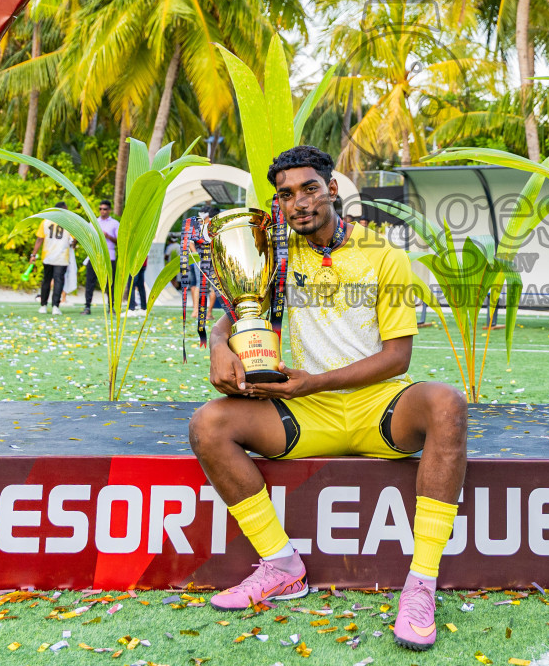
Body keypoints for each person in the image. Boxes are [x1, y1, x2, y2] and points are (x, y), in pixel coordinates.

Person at [189, 145, 466, 651]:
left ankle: (421, 584)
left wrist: (315, 381)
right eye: (286, 195)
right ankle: (281, 566)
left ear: (332, 189)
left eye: (309, 189)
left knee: (446, 402)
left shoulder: (384, 254)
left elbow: (398, 358)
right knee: (209, 424)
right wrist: (216, 348)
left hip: (378, 406)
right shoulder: (276, 254)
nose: (298, 203)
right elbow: (237, 312)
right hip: (305, 412)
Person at [30, 202, 75, 314]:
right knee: (59, 281)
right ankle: (55, 306)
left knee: (46, 280)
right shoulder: (68, 223)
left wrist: (33, 254)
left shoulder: (46, 221)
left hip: (48, 255)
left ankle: (43, 305)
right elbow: (74, 240)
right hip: (61, 257)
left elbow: (39, 239)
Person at [84, 199, 119, 314]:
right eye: (100, 209)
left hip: (109, 257)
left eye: (105, 209)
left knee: (110, 283)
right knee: (90, 282)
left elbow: (119, 241)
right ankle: (87, 307)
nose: (102, 211)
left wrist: (108, 236)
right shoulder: (94, 223)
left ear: (109, 210)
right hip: (95, 256)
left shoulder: (114, 223)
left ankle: (111, 307)